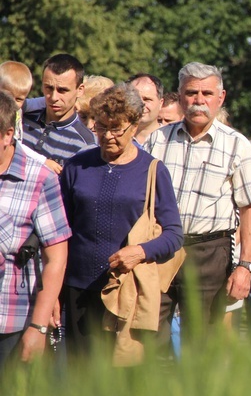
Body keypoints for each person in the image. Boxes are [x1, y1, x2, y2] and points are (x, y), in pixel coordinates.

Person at [59, 83, 183, 353]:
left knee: (121, 382)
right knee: (80, 378)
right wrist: (55, 293)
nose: (107, 136)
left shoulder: (152, 170)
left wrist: (140, 251)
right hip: (77, 289)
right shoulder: (76, 166)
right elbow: (59, 232)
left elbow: (174, 234)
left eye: (117, 129)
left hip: (126, 291)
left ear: (134, 126)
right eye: (101, 127)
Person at [144, 62, 251, 334]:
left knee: (201, 342)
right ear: (180, 94)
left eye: (207, 94)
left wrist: (245, 267)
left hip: (210, 254)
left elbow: (250, 211)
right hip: (159, 249)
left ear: (220, 98)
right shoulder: (157, 140)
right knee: (150, 336)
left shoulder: (237, 144)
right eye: (191, 93)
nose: (199, 101)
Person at [0, 91, 70, 368]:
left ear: (7, 135)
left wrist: (38, 327)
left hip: (10, 319)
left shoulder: (40, 178)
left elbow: (57, 257)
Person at [22, 54, 96, 174]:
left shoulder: (86, 143)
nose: (54, 97)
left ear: (80, 90)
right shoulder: (21, 118)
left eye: (62, 90)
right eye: (48, 88)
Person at [0, 61, 33, 141]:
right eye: (8, 97)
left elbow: (41, 102)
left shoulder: (20, 109)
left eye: (19, 99)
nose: (13, 103)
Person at [128, 73, 164, 145]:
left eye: (147, 99)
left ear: (161, 103)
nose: (141, 104)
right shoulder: (115, 139)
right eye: (135, 98)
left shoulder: (171, 139)